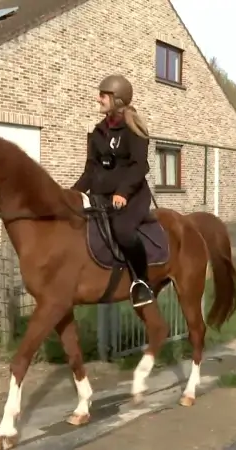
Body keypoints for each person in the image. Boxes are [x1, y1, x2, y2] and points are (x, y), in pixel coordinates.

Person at [72, 74, 154, 308]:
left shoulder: (133, 129)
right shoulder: (98, 131)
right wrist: (71, 194)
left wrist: (123, 192)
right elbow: (90, 170)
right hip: (101, 197)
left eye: (103, 95)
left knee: (123, 230)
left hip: (131, 196)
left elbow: (140, 166)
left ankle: (142, 282)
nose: (99, 99)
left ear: (117, 99)